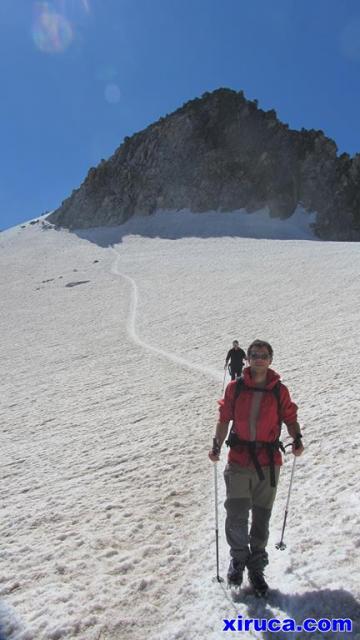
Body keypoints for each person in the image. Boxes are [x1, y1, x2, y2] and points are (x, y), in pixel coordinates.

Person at [209, 339, 304, 594]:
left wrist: (297, 439)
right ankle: (239, 559)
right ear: (248, 359)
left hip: (269, 464)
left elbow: (290, 417)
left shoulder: (279, 390)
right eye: (255, 355)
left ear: (270, 359)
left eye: (263, 355)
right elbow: (224, 419)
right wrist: (216, 445)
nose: (259, 358)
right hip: (239, 461)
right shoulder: (235, 388)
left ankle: (256, 566)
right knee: (237, 516)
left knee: (261, 519)